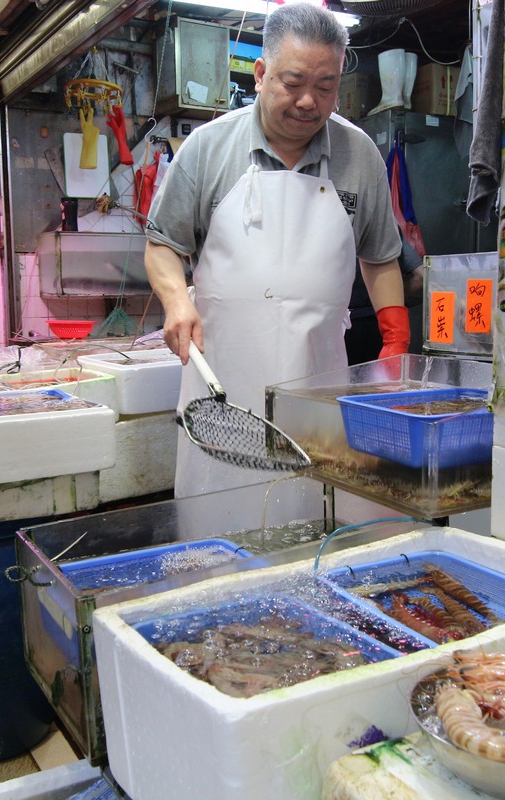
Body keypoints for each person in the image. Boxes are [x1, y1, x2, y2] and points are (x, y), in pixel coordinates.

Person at [145, 2, 408, 498]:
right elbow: (163, 245)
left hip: (318, 388)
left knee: (309, 520)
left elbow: (379, 256)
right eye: (293, 83)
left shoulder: (359, 156)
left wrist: (395, 340)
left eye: (325, 86)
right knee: (218, 530)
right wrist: (178, 302)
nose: (309, 101)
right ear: (261, 74)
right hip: (223, 395)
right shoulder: (207, 148)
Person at [345, 235, 424, 365]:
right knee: (379, 381)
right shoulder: (385, 224)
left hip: (340, 325)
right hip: (378, 324)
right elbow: (420, 277)